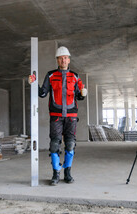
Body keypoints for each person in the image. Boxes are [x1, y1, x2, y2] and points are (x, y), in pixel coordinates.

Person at [29, 46, 87, 186]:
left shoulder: (75, 76)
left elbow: (79, 96)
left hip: (71, 116)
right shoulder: (51, 75)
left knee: (70, 144)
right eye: (61, 58)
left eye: (66, 57)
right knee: (54, 145)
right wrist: (34, 83)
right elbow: (42, 93)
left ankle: (67, 172)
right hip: (56, 116)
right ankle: (55, 173)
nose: (63, 60)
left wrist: (82, 93)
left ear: (69, 59)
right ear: (57, 60)